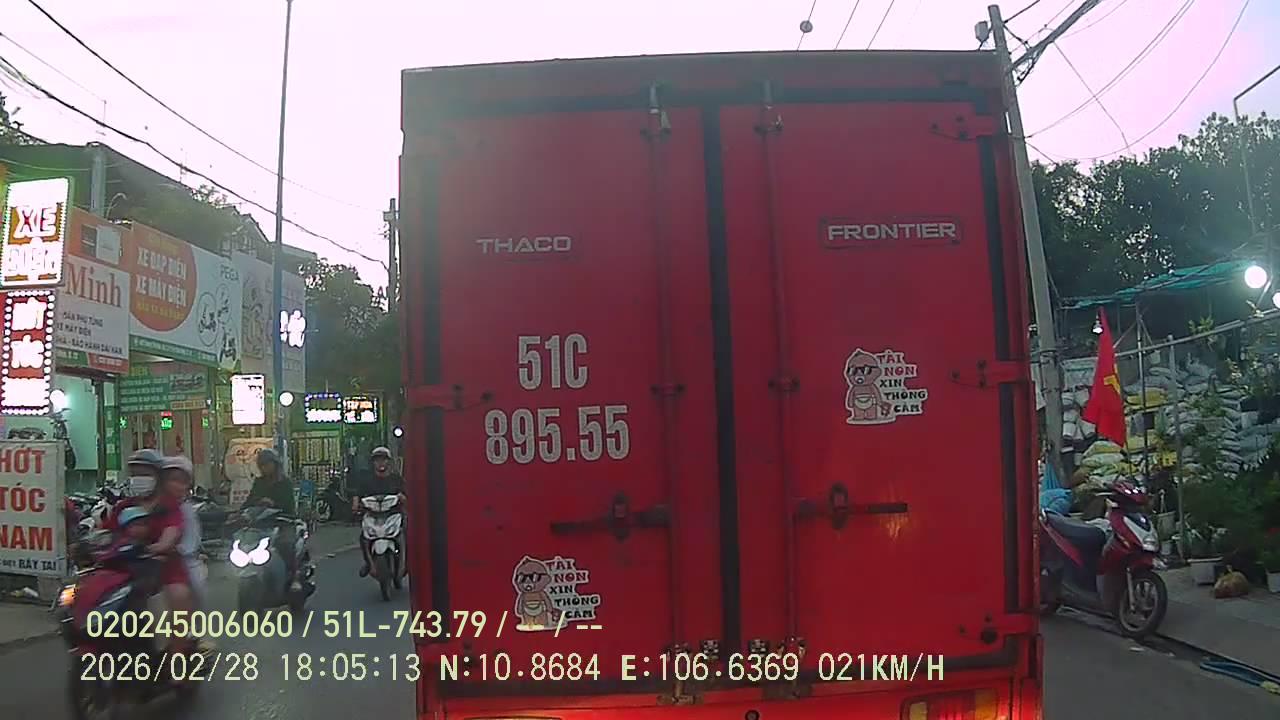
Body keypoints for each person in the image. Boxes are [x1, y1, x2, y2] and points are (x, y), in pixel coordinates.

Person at [242, 448, 301, 589]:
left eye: (267, 464)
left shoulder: (285, 483)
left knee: (286, 545)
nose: (264, 468)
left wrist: (273, 503)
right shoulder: (259, 482)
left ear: (275, 464)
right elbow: (249, 501)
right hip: (261, 524)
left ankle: (294, 577)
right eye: (261, 465)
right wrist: (243, 511)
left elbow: (289, 506)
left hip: (283, 522)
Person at [353, 446, 405, 578]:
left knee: (405, 533)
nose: (380, 463)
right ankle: (369, 562)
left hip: (393, 516)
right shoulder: (367, 480)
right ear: (373, 463)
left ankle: (404, 562)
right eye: (377, 460)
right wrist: (356, 504)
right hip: (373, 516)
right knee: (364, 537)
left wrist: (402, 497)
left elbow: (405, 494)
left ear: (388, 462)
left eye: (383, 459)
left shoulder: (396, 479)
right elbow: (357, 494)